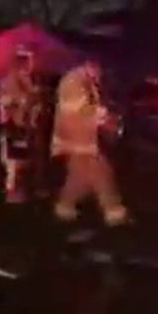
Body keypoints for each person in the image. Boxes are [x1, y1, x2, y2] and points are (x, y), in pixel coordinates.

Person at [51, 57, 130, 227]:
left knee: (80, 176)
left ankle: (65, 207)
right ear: (91, 66)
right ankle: (114, 212)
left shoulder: (90, 81)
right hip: (78, 137)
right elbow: (79, 108)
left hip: (86, 139)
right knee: (102, 172)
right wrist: (103, 115)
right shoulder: (72, 81)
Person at [0, 45, 49, 204]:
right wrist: (20, 100)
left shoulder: (35, 79)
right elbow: (3, 101)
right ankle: (13, 193)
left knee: (35, 159)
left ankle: (34, 189)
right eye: (28, 59)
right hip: (16, 126)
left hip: (32, 127)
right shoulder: (9, 80)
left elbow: (41, 100)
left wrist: (39, 101)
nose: (32, 63)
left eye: (33, 59)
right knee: (15, 162)